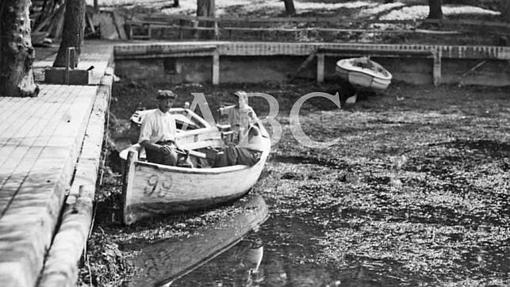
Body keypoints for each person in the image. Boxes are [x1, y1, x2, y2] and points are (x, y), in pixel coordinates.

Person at [138, 90, 180, 166]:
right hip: (155, 151)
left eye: (170, 102)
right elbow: (143, 141)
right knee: (172, 157)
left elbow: (174, 139)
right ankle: (166, 176)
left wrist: (179, 148)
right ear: (159, 102)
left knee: (186, 161)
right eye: (165, 102)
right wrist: (159, 148)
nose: (168, 104)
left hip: (170, 148)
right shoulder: (150, 117)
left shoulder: (171, 118)